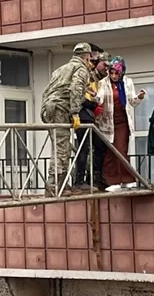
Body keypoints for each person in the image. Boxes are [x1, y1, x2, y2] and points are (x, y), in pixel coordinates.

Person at [40, 42, 99, 192]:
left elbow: (52, 90)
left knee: (60, 147)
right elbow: (75, 89)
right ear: (87, 57)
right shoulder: (81, 68)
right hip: (60, 109)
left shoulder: (62, 68)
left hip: (50, 108)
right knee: (62, 149)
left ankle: (60, 184)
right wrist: (75, 112)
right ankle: (54, 187)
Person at [95, 57, 145, 189]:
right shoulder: (103, 83)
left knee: (121, 150)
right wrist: (95, 97)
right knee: (110, 151)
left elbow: (132, 102)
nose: (113, 76)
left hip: (123, 122)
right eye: (111, 73)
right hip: (108, 122)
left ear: (122, 72)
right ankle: (112, 181)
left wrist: (139, 97)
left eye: (116, 73)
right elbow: (100, 97)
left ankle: (127, 179)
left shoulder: (128, 82)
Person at [72, 55, 109, 189]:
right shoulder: (82, 73)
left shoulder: (98, 78)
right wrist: (92, 105)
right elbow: (78, 95)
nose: (106, 68)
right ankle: (79, 181)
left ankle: (93, 178)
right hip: (82, 114)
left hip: (89, 115)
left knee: (99, 146)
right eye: (93, 61)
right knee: (84, 147)